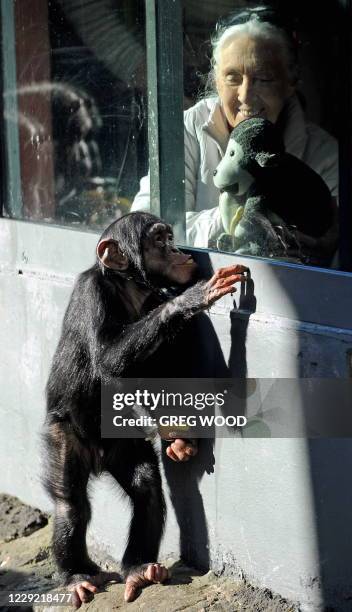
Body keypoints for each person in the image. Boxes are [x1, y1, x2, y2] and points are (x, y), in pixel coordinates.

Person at [132, 7, 338, 261]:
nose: (245, 96)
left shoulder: (325, 154)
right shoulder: (186, 130)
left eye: (263, 78)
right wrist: (236, 217)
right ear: (216, 80)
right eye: (233, 78)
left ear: (290, 83)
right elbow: (142, 229)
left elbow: (326, 247)